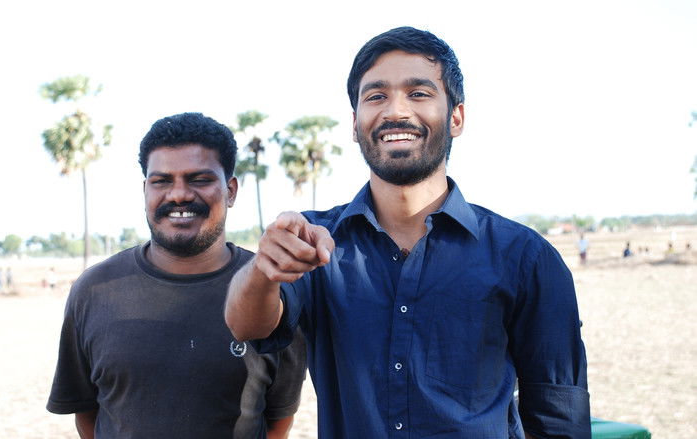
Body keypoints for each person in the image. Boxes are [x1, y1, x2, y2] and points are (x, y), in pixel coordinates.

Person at [225, 27, 589, 438]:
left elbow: (558, 418)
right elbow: (246, 326)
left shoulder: (525, 257)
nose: (396, 111)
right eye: (376, 96)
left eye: (418, 93)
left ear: (456, 117)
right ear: (355, 123)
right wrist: (264, 269)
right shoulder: (314, 242)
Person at [47, 113, 306, 439]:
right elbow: (88, 415)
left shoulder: (272, 289)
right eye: (162, 181)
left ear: (231, 191)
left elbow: (278, 420)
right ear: (145, 190)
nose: (179, 194)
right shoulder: (94, 290)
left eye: (199, 179)